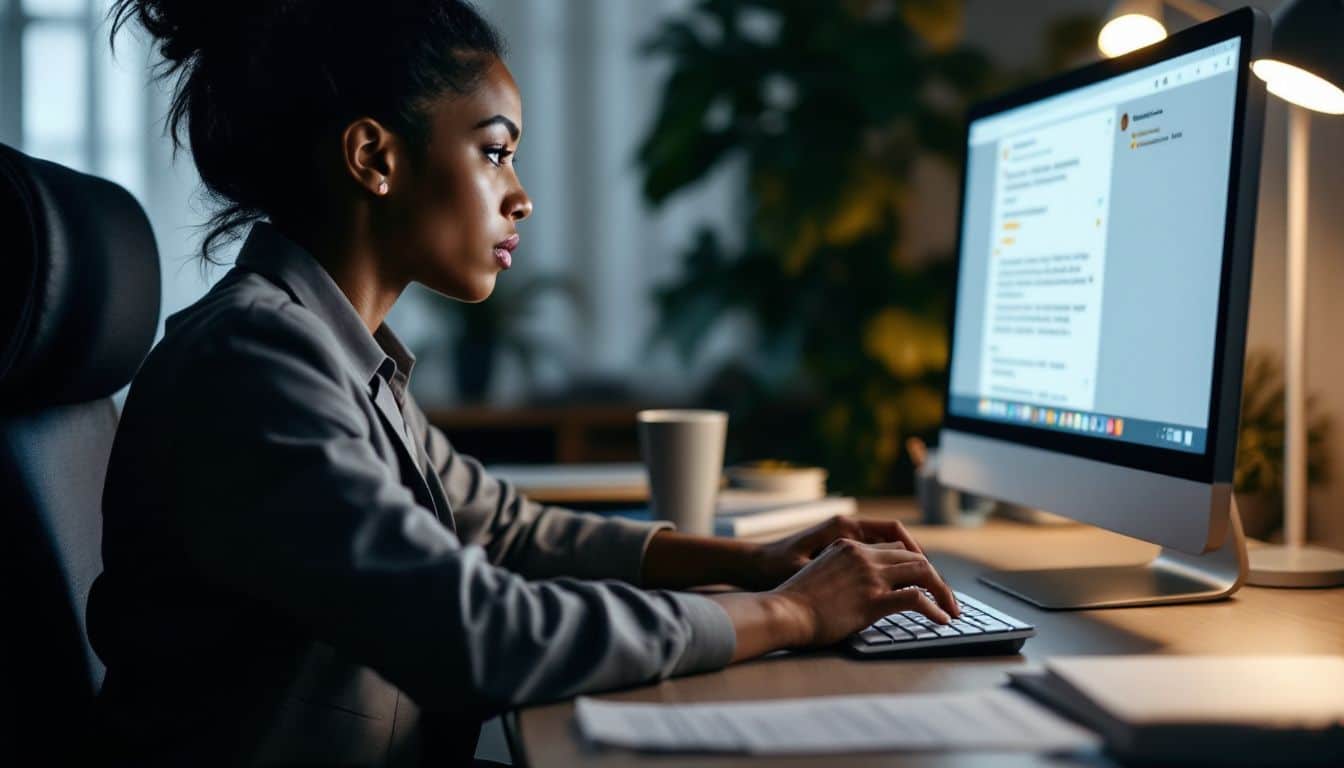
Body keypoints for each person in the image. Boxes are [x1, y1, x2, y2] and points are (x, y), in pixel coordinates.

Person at [89, 1, 960, 765]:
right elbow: (475, 632)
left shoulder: (331, 350)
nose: (522, 197)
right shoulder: (254, 365)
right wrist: (791, 616)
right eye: (496, 152)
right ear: (373, 157)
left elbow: (501, 528)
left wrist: (755, 562)